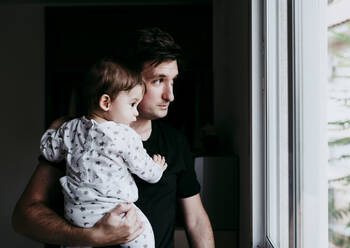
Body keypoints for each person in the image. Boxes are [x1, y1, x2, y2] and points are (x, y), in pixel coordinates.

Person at [12, 27, 215, 248]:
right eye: (158, 80)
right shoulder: (76, 133)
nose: (170, 95)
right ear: (130, 79)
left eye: (173, 80)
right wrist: (89, 237)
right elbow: (24, 218)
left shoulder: (175, 143)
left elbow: (196, 222)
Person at [39, 59, 168, 248]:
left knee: (77, 241)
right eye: (132, 104)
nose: (136, 113)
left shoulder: (70, 128)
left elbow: (48, 152)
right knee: (142, 231)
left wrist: (52, 129)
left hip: (77, 214)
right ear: (106, 102)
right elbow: (145, 171)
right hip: (114, 210)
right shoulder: (124, 135)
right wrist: (157, 168)